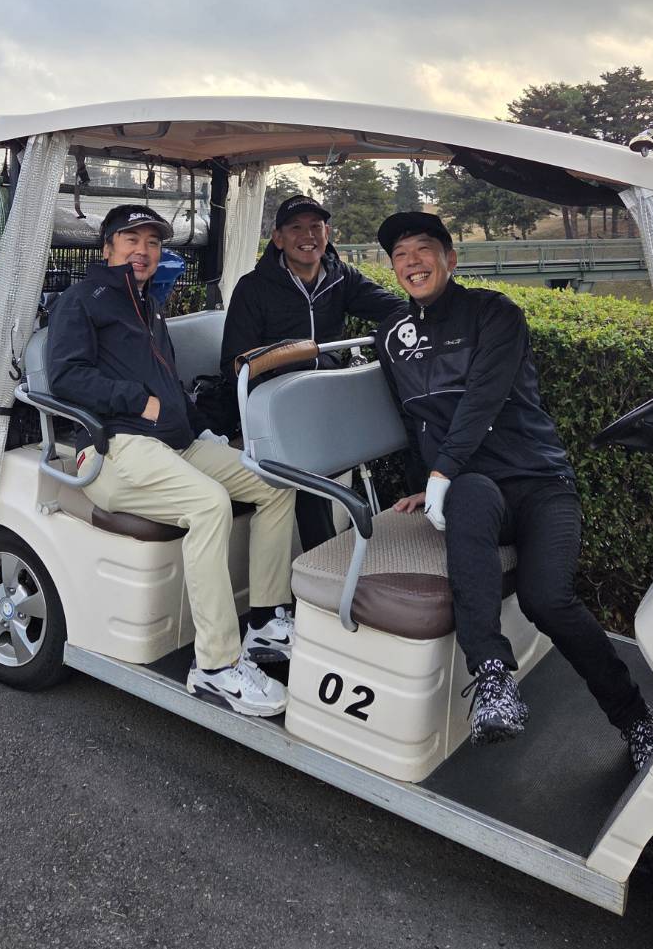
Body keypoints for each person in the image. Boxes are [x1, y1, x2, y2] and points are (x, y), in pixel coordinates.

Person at [373, 210, 653, 772]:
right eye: (400, 255)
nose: (412, 262)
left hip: (539, 483)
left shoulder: (495, 313)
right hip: (474, 488)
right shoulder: (391, 336)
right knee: (469, 497)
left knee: (547, 599)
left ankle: (636, 721)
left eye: (423, 249)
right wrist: (422, 484)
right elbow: (416, 421)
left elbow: (482, 399)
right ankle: (492, 678)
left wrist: (440, 474)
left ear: (450, 258)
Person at [47, 203, 297, 718]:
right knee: (209, 505)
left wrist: (201, 425)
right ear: (108, 247)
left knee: (274, 484)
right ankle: (215, 667)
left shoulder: (148, 305)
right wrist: (136, 400)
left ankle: (265, 621)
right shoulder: (84, 300)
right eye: (131, 240)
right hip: (116, 448)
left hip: (173, 444)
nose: (143, 251)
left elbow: (170, 385)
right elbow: (65, 377)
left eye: (153, 243)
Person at [221, 192, 404, 547]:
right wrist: (275, 405)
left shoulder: (341, 278)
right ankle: (321, 557)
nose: (307, 236)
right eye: (295, 228)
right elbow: (235, 363)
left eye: (315, 227)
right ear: (278, 238)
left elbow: (395, 310)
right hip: (279, 403)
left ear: (327, 233)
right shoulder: (253, 289)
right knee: (308, 461)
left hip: (329, 397)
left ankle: (396, 535)